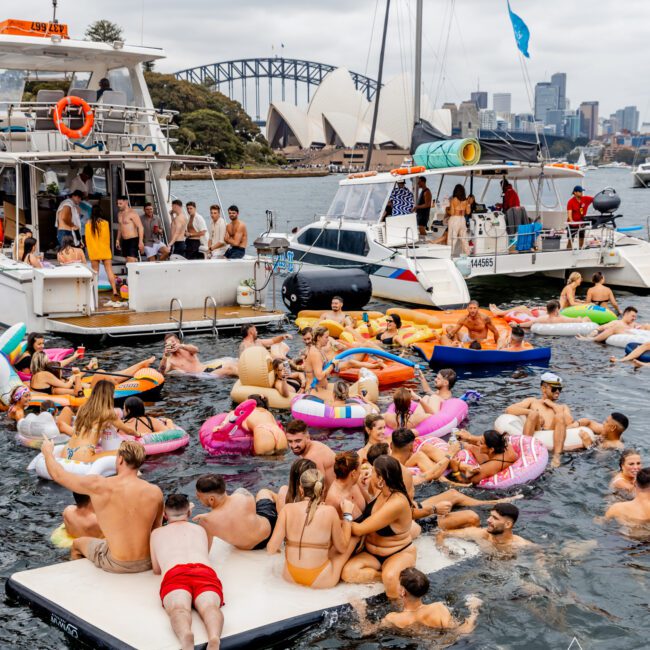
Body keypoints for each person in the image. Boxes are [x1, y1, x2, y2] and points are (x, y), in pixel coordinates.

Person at [41, 438, 164, 572]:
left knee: (77, 544)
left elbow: (59, 475)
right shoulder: (155, 492)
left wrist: (47, 453)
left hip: (116, 563)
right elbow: (157, 530)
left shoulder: (100, 486)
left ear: (120, 459)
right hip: (147, 562)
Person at [150, 494, 224, 650]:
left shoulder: (156, 534)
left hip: (175, 573)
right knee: (210, 607)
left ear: (164, 514)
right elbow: (206, 552)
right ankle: (214, 637)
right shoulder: (200, 529)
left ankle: (185, 635)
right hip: (203, 571)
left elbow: (157, 569)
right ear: (189, 513)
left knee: (179, 609)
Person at [341, 455, 417, 599]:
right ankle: (383, 576)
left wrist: (345, 516)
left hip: (397, 552)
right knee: (348, 573)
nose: (371, 474)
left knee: (390, 578)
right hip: (372, 554)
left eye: (373, 472)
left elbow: (359, 529)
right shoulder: (382, 491)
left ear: (381, 478)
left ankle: (392, 580)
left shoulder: (397, 503)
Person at [267, 469, 357, 588]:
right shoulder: (330, 511)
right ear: (323, 489)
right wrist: (347, 514)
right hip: (321, 579)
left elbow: (271, 549)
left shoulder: (287, 509)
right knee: (353, 538)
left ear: (301, 489)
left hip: (290, 575)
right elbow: (342, 548)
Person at [357, 568, 481, 635]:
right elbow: (463, 631)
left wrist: (361, 611)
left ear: (403, 592)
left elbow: (366, 631)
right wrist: (474, 610)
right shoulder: (438, 608)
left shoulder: (393, 619)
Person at [58, 380, 141, 463]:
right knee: (126, 452)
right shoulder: (108, 413)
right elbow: (128, 430)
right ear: (109, 395)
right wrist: (139, 434)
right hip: (83, 455)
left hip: (67, 452)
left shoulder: (82, 408)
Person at [505, 372, 576, 466]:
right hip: (538, 430)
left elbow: (569, 422)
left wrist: (553, 406)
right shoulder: (532, 401)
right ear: (543, 388)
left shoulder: (562, 407)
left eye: (560, 389)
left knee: (559, 416)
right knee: (533, 414)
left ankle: (557, 456)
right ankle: (525, 453)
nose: (558, 391)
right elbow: (509, 409)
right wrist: (530, 412)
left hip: (552, 432)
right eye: (554, 388)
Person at [194, 474, 279, 550]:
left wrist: (209, 516)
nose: (197, 498)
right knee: (264, 492)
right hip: (270, 529)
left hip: (250, 547)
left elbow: (206, 550)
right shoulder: (242, 493)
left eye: (198, 496)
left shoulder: (206, 521)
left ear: (211, 499)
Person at [437, 503, 533, 551]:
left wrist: (542, 570)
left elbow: (540, 552)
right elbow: (442, 534)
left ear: (508, 524)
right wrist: (442, 548)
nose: (488, 520)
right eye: (490, 516)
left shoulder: (519, 544)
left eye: (495, 518)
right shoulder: (479, 534)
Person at [216, 394, 287, 455]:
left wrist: (221, 426)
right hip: (279, 433)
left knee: (263, 466)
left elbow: (230, 419)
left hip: (262, 432)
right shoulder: (268, 413)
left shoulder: (245, 411)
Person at [447, 430, 518, 485]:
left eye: (481, 443)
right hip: (497, 459)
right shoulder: (507, 446)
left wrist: (455, 471)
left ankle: (462, 445)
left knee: (471, 447)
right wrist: (469, 437)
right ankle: (464, 442)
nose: (478, 443)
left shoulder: (487, 468)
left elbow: (467, 483)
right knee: (472, 447)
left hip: (493, 464)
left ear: (491, 449)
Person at [285, 419, 336, 490]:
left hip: (330, 497)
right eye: (290, 441)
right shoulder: (311, 447)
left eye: (298, 441)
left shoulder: (312, 457)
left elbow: (321, 489)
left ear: (307, 437)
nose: (294, 445)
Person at [159, 334, 238, 378]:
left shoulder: (186, 348)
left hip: (207, 369)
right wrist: (165, 356)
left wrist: (181, 346)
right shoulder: (170, 360)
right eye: (168, 344)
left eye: (172, 342)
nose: (171, 345)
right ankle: (248, 381)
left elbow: (196, 349)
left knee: (233, 364)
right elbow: (162, 372)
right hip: (201, 375)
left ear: (178, 341)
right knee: (229, 368)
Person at [85, 205, 119, 299]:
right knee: (109, 271)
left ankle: (94, 291)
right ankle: (115, 290)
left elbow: (87, 239)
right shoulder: (106, 223)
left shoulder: (88, 223)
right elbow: (107, 237)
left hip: (94, 251)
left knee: (95, 273)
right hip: (104, 250)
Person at [325, 451, 369, 519]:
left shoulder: (354, 482)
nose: (360, 471)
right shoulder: (334, 500)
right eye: (360, 468)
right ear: (353, 473)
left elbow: (369, 500)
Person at [14, 332, 81, 373]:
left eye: (43, 343)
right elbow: (26, 377)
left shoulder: (36, 354)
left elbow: (55, 365)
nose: (42, 346)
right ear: (32, 344)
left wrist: (73, 357)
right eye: (39, 344)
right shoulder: (27, 358)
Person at [116, 195, 144, 263]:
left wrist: (141, 242)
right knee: (127, 261)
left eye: (120, 204)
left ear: (126, 202)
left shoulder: (132, 213)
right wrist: (117, 239)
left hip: (133, 240)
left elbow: (140, 227)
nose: (118, 205)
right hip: (124, 240)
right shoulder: (119, 214)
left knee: (131, 261)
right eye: (117, 203)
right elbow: (120, 227)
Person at [447, 184, 472, 255]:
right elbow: (468, 212)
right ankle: (468, 254)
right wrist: (469, 204)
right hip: (462, 219)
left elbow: (452, 213)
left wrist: (447, 210)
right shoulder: (466, 201)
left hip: (454, 219)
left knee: (452, 239)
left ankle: (449, 256)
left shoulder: (453, 200)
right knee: (464, 239)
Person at [566, 185, 593, 249]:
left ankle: (580, 249)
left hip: (581, 223)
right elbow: (569, 213)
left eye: (582, 191)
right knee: (570, 239)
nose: (581, 193)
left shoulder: (586, 199)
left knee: (581, 238)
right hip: (573, 224)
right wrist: (572, 221)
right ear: (575, 193)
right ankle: (567, 251)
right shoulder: (570, 202)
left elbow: (595, 199)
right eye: (580, 191)